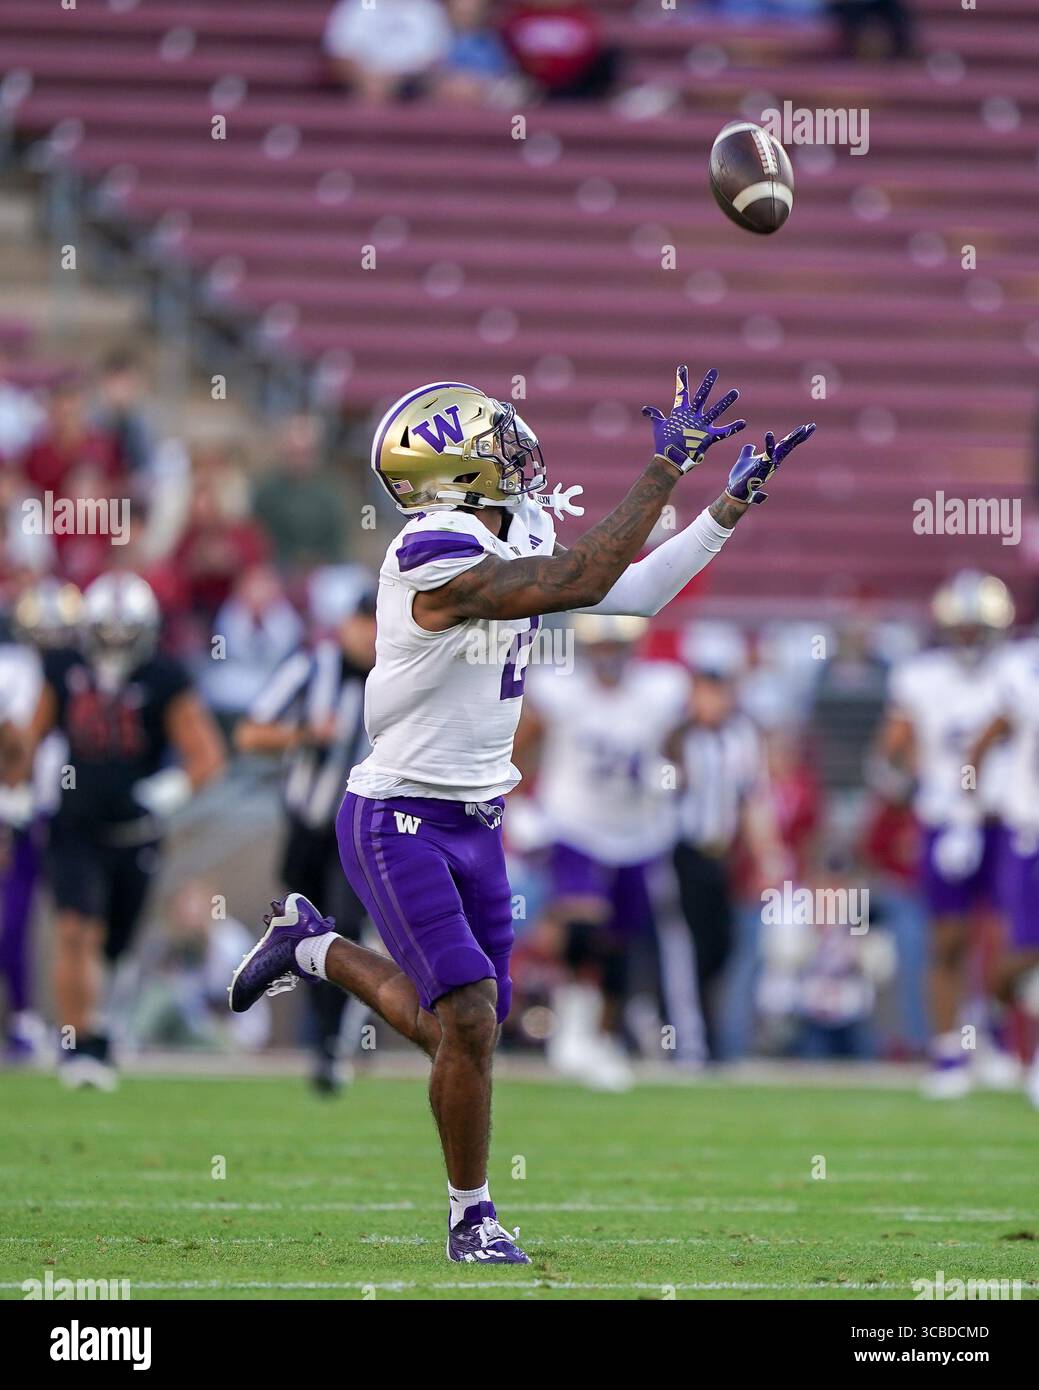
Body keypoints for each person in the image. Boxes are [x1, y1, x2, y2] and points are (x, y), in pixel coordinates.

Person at [228, 369, 816, 1263]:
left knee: (464, 1026)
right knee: (466, 1017)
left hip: (479, 815)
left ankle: (311, 947)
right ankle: (472, 1215)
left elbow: (628, 594)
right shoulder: (428, 550)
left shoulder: (517, 524)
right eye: (491, 443)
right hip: (396, 813)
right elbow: (584, 572)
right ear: (453, 475)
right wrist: (663, 468)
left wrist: (721, 511)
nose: (516, 449)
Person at [7, 571, 226, 1089]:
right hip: (74, 825)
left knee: (114, 946)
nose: (113, 646)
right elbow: (29, 741)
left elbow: (207, 755)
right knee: (74, 929)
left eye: (123, 634)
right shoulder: (62, 668)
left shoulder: (165, 678)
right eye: (105, 632)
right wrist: (14, 789)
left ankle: (99, 1029)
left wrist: (166, 792)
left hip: (133, 834)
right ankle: (77, 1042)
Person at [515, 614, 689, 1089]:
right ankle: (571, 1025)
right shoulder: (562, 693)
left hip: (637, 833)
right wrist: (511, 801)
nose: (610, 656)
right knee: (582, 921)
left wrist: (665, 778)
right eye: (603, 647)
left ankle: (603, 1038)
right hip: (574, 823)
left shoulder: (659, 693)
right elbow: (520, 747)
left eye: (619, 646)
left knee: (618, 942)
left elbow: (679, 760)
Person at [874, 571, 1014, 1099]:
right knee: (947, 940)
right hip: (943, 819)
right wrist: (908, 786)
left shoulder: (1018, 672)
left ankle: (996, 1039)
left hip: (1004, 820)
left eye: (980, 630)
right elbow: (892, 751)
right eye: (964, 629)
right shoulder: (921, 677)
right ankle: (948, 1048)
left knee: (1007, 939)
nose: (972, 639)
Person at [235, 584, 377, 1094]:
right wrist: (304, 736)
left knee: (340, 928)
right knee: (306, 931)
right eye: (365, 622)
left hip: (359, 833)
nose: (372, 635)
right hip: (305, 825)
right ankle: (327, 1037)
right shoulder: (312, 666)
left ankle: (330, 1045)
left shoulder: (399, 674)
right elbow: (250, 734)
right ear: (346, 624)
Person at [665, 666, 787, 1059]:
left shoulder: (741, 737)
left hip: (724, 855)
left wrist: (767, 855)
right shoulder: (678, 737)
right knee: (687, 948)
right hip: (680, 851)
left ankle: (711, 1036)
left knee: (722, 948)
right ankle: (690, 1043)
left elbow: (753, 799)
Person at [971, 626, 1039, 1107]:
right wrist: (971, 804)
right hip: (1028, 830)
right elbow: (984, 741)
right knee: (1026, 948)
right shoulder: (1025, 669)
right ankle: (989, 1019)